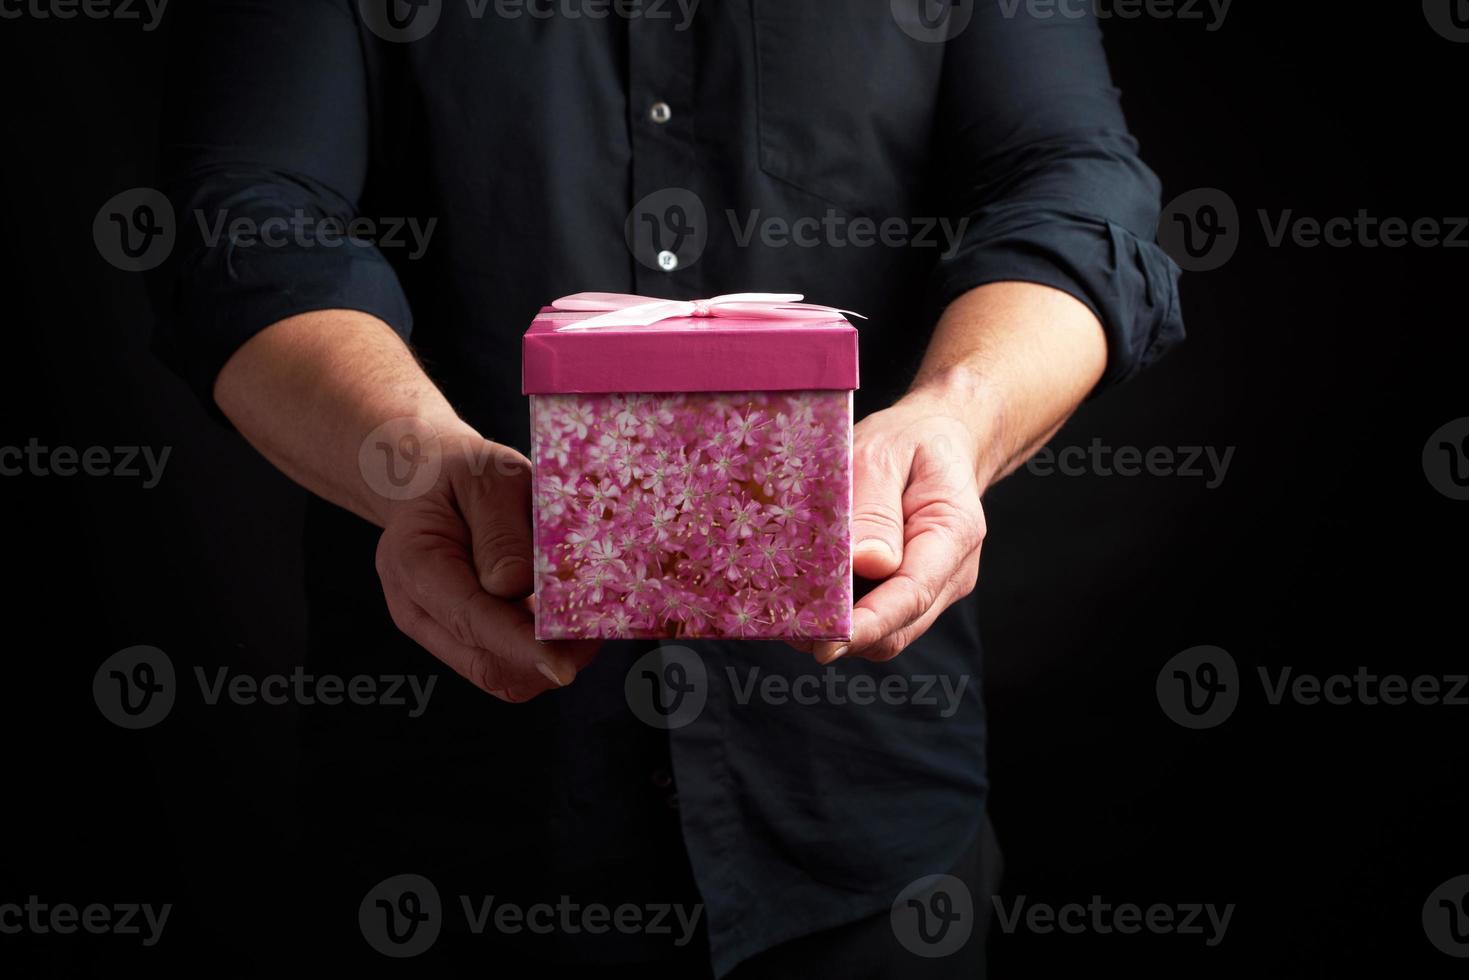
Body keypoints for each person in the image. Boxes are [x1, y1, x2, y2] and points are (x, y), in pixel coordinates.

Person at [150, 1, 1183, 975]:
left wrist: (959, 414)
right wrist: (417, 462)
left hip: (862, 830)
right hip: (455, 831)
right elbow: (245, 219)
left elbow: (1074, 185)